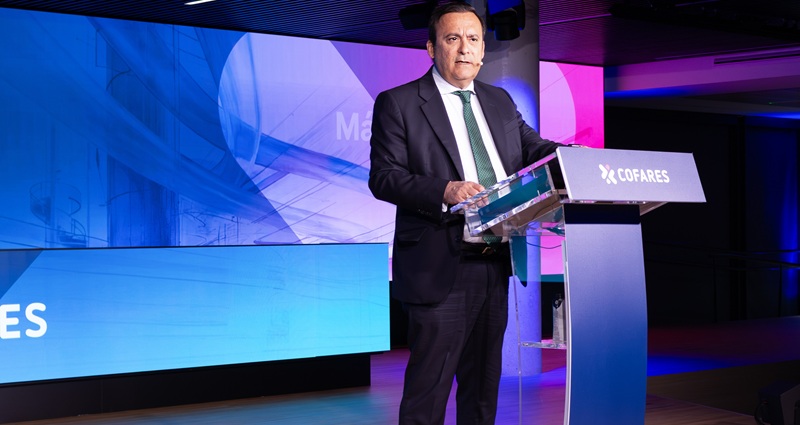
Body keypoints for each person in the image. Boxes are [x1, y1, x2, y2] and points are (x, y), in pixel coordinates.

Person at [368, 2, 563, 424]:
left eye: (473, 39)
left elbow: (535, 148)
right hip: (441, 265)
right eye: (453, 38)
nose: (465, 48)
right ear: (431, 47)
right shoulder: (399, 102)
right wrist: (446, 189)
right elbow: (384, 178)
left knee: (481, 394)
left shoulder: (499, 101)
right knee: (428, 396)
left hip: (495, 262)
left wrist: (575, 158)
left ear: (483, 49)